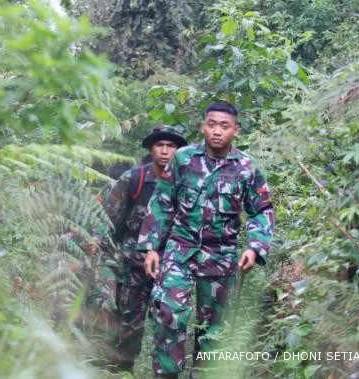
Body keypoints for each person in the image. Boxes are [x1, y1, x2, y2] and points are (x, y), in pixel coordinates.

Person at [136, 101, 275, 378]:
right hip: (180, 250)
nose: (216, 132)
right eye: (211, 125)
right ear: (203, 127)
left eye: (224, 126)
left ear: (236, 130)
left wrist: (255, 247)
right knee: (169, 312)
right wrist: (151, 247)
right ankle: (166, 373)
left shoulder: (247, 167)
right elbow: (162, 202)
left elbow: (262, 210)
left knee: (215, 328)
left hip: (221, 256)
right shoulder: (184, 159)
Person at [96, 125, 187, 372]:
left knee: (169, 319)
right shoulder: (133, 179)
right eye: (160, 145)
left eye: (171, 146)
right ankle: (121, 368)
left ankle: (166, 370)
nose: (165, 151)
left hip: (171, 264)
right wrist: (106, 261)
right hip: (133, 262)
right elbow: (107, 220)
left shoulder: (187, 182)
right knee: (130, 319)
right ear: (151, 148)